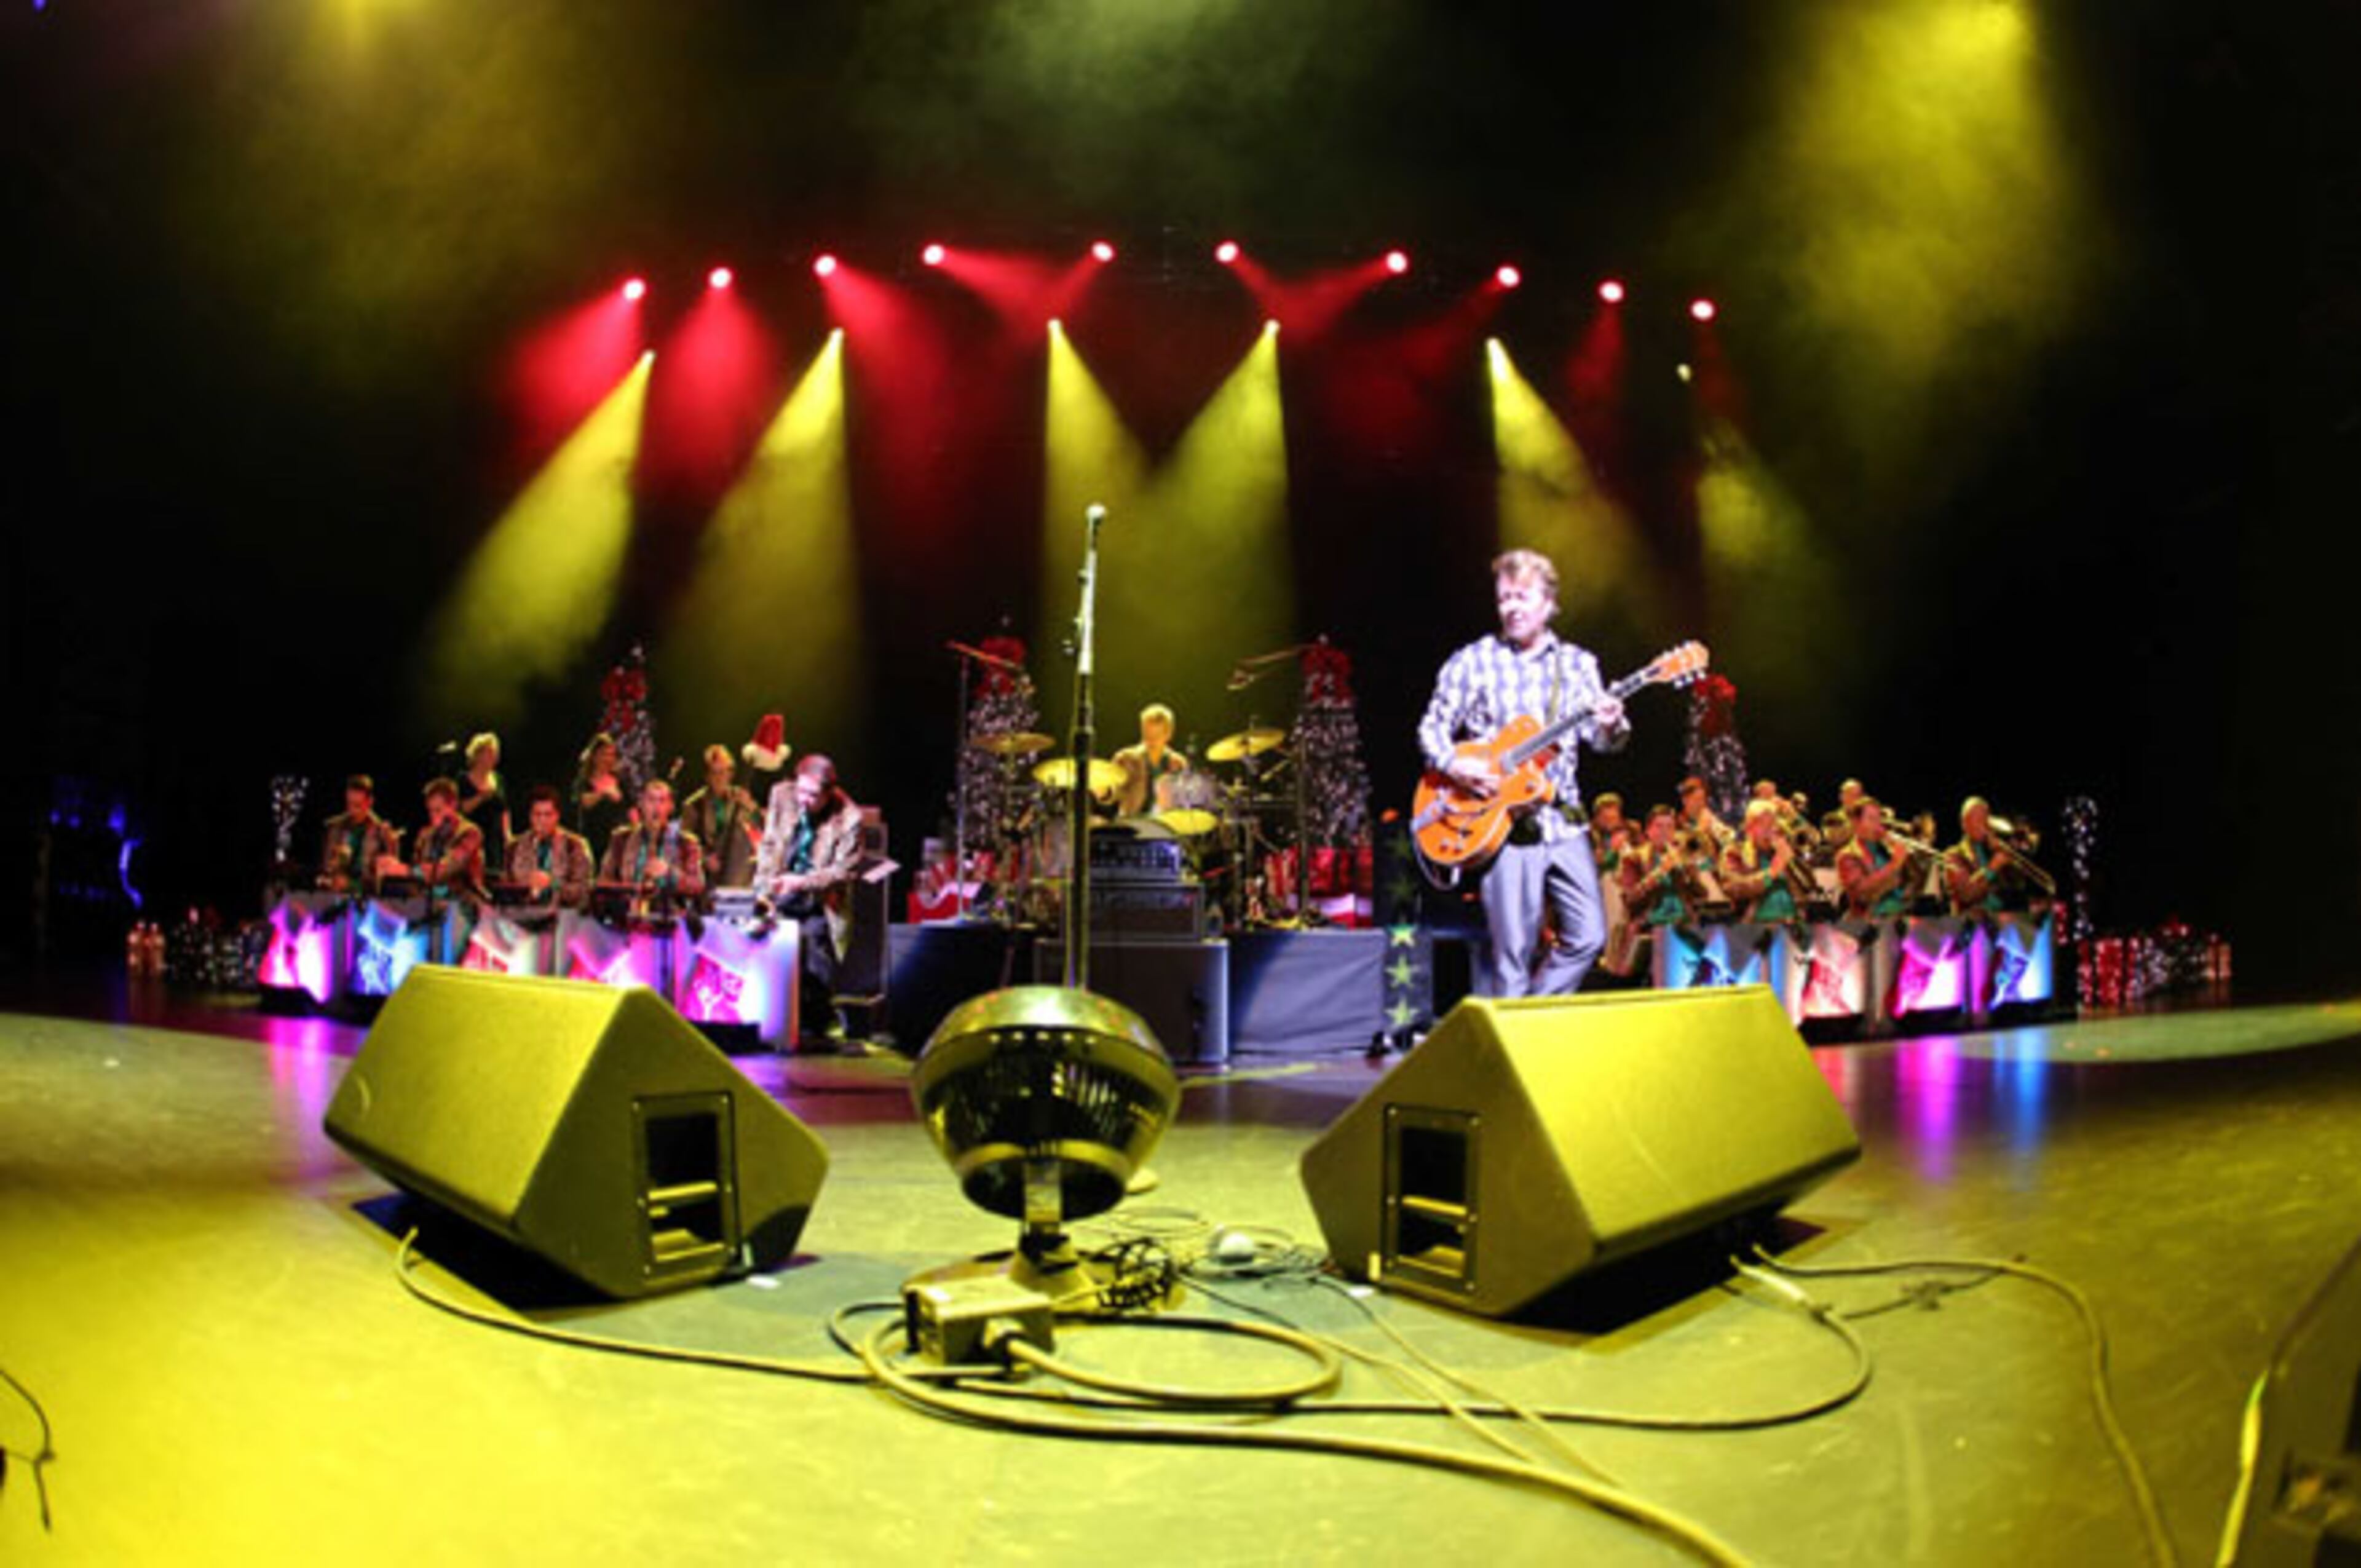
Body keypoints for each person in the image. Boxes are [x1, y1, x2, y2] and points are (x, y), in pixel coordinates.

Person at [1417, 548, 1627, 997]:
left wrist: (1610, 722)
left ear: (1549, 603)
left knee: (1590, 936)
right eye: (1504, 599)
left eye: (1522, 597)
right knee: (1513, 954)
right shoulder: (1473, 661)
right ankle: (1515, 1055)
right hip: (1503, 824)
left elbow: (1603, 741)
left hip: (1562, 819)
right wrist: (1456, 763)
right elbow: (1431, 728)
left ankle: (1530, 1016)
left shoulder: (1577, 664)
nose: (1511, 607)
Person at [755, 754, 865, 1035]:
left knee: (815, 967)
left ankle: (814, 1029)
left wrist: (801, 882)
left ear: (829, 794)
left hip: (819, 901)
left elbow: (845, 871)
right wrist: (764, 888)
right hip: (779, 891)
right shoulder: (782, 795)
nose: (804, 799)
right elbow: (769, 843)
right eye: (801, 791)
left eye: (813, 795)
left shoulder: (850, 817)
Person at [600, 779, 705, 905]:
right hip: (629, 913)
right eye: (651, 800)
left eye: (662, 801)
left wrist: (670, 873)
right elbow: (604, 881)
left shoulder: (686, 843)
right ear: (641, 804)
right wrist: (631, 889)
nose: (657, 807)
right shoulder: (621, 839)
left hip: (671, 915)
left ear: (670, 807)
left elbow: (697, 885)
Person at [681, 743, 765, 890]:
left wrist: (752, 809)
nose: (720, 778)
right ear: (707, 776)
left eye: (724, 772)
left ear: (731, 774)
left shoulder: (741, 798)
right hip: (708, 877)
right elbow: (684, 842)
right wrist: (705, 858)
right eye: (715, 772)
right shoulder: (694, 805)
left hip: (738, 874)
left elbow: (760, 830)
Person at [395, 778, 488, 906]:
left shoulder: (470, 833)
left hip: (463, 902)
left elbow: (447, 868)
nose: (434, 816)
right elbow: (417, 865)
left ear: (453, 805)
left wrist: (407, 871)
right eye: (430, 811)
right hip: (429, 900)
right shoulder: (426, 834)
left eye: (438, 810)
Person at [505, 785, 595, 911]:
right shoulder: (514, 847)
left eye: (548, 815)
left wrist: (553, 884)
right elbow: (506, 889)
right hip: (524, 916)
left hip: (564, 919)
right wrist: (527, 888)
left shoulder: (575, 846)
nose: (543, 821)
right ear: (530, 816)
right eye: (537, 815)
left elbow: (583, 891)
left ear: (557, 816)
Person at [1721, 799, 1804, 925]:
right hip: (1757, 927)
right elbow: (1733, 888)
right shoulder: (1735, 852)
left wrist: (1793, 861)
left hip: (1793, 925)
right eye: (1763, 825)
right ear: (1749, 828)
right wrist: (1771, 873)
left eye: (1772, 825)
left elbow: (1809, 886)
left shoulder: (1779, 851)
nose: (1769, 831)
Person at [318, 774, 400, 896]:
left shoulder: (382, 834)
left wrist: (351, 884)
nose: (352, 810)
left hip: (367, 904)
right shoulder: (334, 828)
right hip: (334, 898)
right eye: (349, 804)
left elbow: (387, 880)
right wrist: (330, 881)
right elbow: (325, 869)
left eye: (357, 805)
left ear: (370, 802)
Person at [1835, 798, 1913, 921]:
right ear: (1856, 822)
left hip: (1897, 920)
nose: (1877, 825)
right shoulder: (1847, 856)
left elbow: (1911, 884)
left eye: (1878, 819)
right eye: (1871, 819)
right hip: (1868, 925)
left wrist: (1908, 860)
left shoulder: (1885, 849)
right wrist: (1894, 864)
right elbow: (1862, 894)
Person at [1112, 703, 1191, 818]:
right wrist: (1104, 792)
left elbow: (1184, 800)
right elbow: (1112, 794)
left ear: (1168, 734)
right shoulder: (1126, 759)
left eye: (1156, 736)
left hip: (1166, 824)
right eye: (1147, 735)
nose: (1151, 741)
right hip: (1133, 823)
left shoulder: (1178, 763)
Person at [1945, 796, 2018, 918]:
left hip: (2002, 918)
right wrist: (1992, 867)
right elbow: (1966, 895)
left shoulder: (1992, 850)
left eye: (1985, 819)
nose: (1984, 825)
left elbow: (2017, 885)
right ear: (1964, 824)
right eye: (1978, 819)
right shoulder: (1953, 855)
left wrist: (2003, 852)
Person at [574, 734, 631, 860]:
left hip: (618, 842)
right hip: (595, 841)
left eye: (612, 754)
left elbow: (631, 808)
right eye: (605, 754)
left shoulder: (620, 781)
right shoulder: (585, 780)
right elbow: (584, 802)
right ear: (594, 756)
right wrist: (604, 793)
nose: (608, 759)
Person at [457, 732, 510, 855]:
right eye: (489, 753)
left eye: (495, 753)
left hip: (493, 841)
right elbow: (460, 810)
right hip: (470, 839)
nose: (494, 757)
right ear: (477, 755)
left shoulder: (499, 779)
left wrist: (508, 835)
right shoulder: (463, 779)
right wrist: (481, 798)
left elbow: (504, 810)